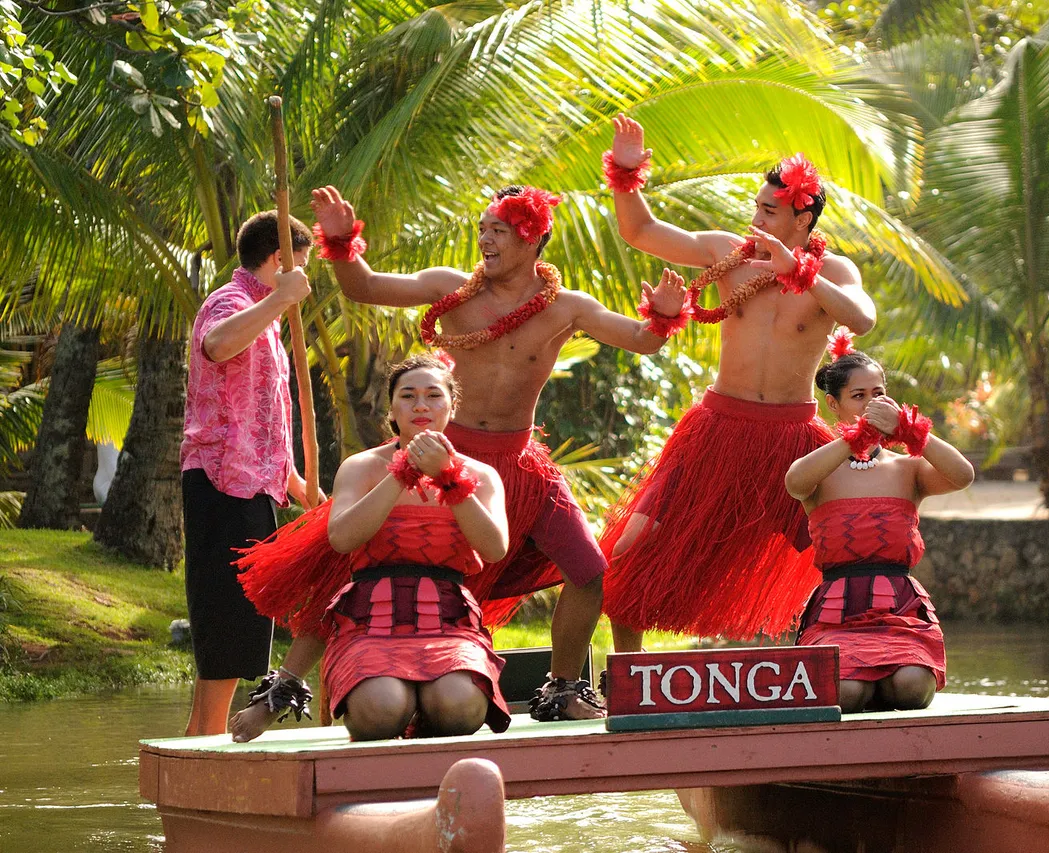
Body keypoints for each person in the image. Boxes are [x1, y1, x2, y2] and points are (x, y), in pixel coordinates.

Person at [305, 183, 689, 720]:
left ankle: (561, 688)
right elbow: (364, 287)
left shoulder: (565, 307)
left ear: (532, 239)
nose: (484, 239)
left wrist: (665, 316)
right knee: (416, 571)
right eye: (482, 228)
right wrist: (341, 238)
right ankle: (354, 683)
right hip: (450, 455)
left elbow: (642, 339)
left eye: (498, 231)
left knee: (589, 569)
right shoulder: (453, 290)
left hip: (523, 461)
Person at [598, 115, 877, 651]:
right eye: (755, 207)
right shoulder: (730, 254)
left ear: (803, 218)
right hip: (718, 429)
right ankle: (629, 675)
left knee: (842, 551)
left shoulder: (836, 274)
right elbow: (641, 232)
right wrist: (627, 171)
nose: (755, 219)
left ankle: (854, 656)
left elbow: (861, 320)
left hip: (792, 440)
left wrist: (801, 272)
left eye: (768, 211)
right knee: (631, 548)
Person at [232, 354, 512, 740]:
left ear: (451, 407)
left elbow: (495, 548)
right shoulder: (361, 467)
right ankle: (374, 706)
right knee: (380, 711)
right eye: (408, 396)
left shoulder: (481, 476)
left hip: (448, 622)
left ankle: (423, 717)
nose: (420, 406)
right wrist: (402, 474)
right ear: (392, 410)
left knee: (458, 709)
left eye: (433, 396)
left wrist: (448, 477)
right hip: (371, 622)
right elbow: (342, 538)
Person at [179, 211, 319, 736]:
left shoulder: (266, 317)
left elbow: (263, 421)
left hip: (253, 484)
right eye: (300, 266)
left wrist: (300, 487)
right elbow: (216, 345)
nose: (304, 280)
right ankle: (207, 736)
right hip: (220, 482)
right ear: (279, 259)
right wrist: (280, 297)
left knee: (245, 619)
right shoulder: (233, 302)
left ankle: (203, 733)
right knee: (225, 614)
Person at [784, 334, 974, 712]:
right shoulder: (822, 470)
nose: (872, 404)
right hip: (838, 615)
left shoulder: (908, 469)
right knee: (847, 693)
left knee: (911, 687)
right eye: (859, 396)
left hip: (899, 614)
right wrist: (856, 438)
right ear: (834, 404)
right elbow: (794, 482)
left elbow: (962, 474)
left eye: (879, 393)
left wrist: (911, 431)